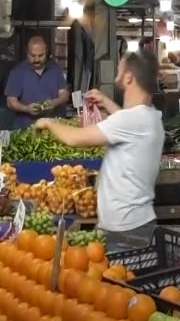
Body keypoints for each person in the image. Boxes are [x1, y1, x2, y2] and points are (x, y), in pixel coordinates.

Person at [33, 51, 164, 249]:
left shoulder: (131, 120)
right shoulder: (151, 117)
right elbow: (125, 120)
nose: (116, 76)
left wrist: (49, 122)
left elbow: (74, 138)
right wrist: (106, 102)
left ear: (129, 77)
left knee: (118, 279)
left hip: (124, 230)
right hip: (135, 223)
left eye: (119, 70)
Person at [5, 36, 70, 129]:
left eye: (40, 55)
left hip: (54, 128)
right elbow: (10, 102)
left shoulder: (55, 69)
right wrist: (26, 109)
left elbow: (64, 95)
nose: (36, 59)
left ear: (46, 51)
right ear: (27, 52)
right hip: (27, 128)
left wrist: (54, 103)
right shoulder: (18, 72)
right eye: (32, 55)